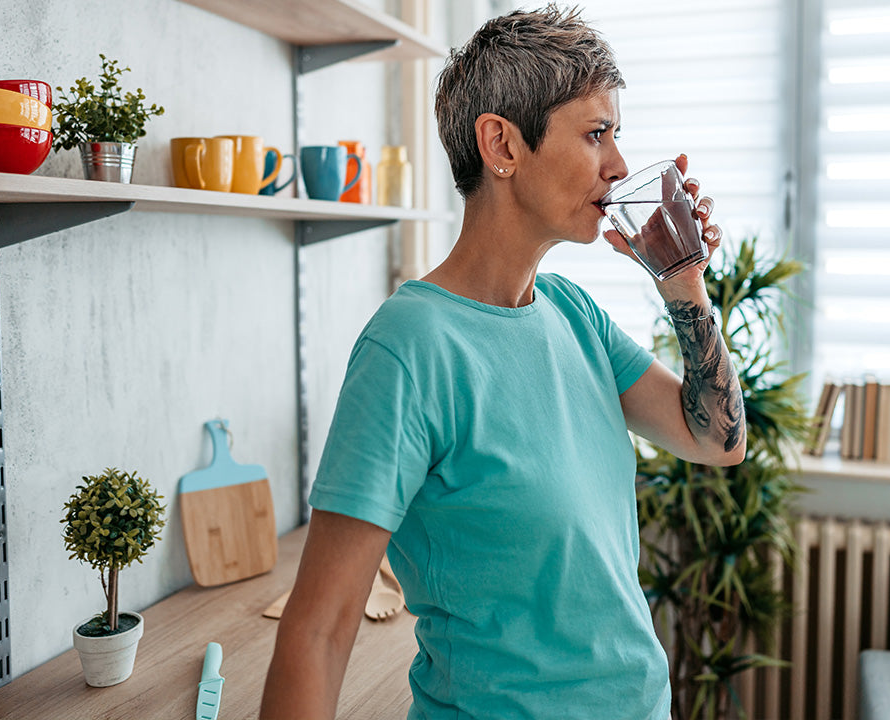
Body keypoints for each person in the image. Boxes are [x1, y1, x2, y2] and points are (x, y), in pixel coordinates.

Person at [260, 5, 745, 719]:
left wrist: (684, 281)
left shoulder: (574, 314)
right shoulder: (409, 349)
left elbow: (717, 440)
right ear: (502, 145)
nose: (618, 166)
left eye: (617, 136)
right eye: (595, 134)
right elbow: (321, 629)